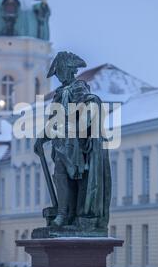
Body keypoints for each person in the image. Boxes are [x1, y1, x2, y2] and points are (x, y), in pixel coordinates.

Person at [34, 52, 112, 231]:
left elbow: (89, 103)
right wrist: (42, 138)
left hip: (76, 144)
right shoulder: (60, 93)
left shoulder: (78, 88)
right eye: (57, 73)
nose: (59, 76)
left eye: (60, 71)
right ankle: (63, 213)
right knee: (60, 176)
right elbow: (54, 120)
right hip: (61, 143)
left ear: (68, 70)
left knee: (74, 178)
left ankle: (70, 215)